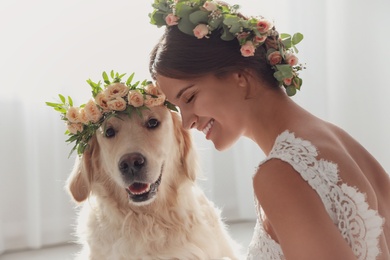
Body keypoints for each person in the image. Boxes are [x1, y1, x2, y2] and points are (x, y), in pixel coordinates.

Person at [148, 0, 390, 259]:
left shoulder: (280, 172)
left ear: (239, 76)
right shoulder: (340, 141)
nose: (187, 122)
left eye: (190, 98)